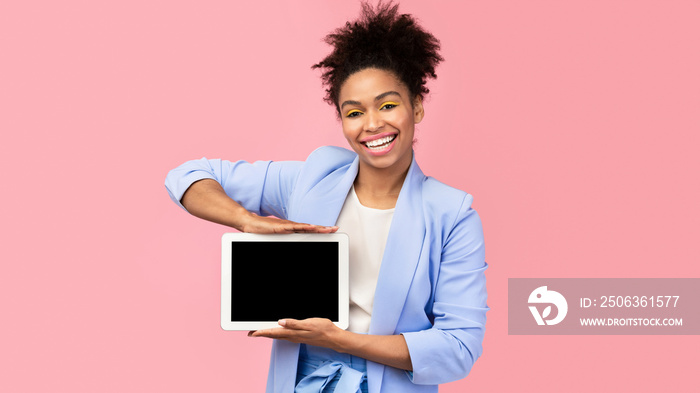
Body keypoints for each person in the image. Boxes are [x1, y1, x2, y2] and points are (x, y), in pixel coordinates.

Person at [165, 2, 488, 392]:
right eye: (354, 112)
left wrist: (338, 339)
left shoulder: (451, 214)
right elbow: (187, 176)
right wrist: (246, 220)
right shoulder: (314, 177)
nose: (372, 124)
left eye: (388, 105)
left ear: (416, 106)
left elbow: (458, 347)